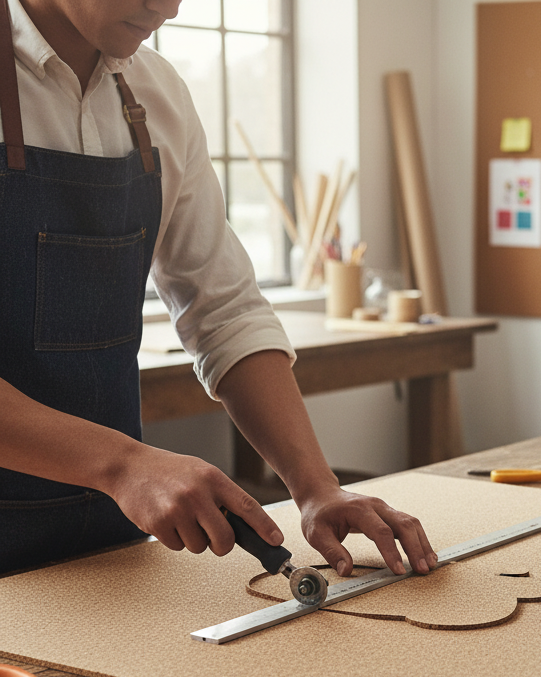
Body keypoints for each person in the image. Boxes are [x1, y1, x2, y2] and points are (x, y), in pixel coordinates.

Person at [0, 0, 437, 579]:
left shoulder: (157, 96)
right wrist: (127, 466)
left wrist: (315, 488)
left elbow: (223, 311)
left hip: (107, 549)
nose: (169, 6)